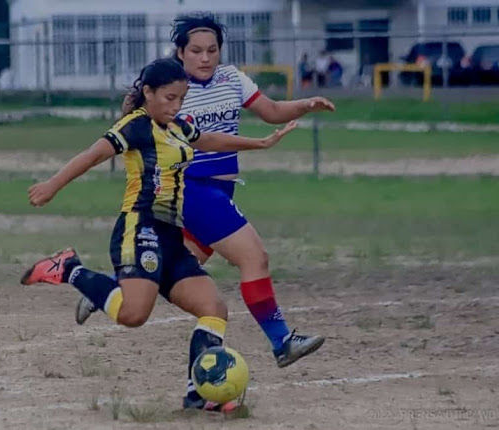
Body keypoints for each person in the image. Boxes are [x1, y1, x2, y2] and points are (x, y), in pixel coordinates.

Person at [20, 58, 298, 411]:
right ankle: (68, 268)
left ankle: (199, 393)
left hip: (171, 235)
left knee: (213, 308)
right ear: (148, 93)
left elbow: (208, 139)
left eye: (181, 98)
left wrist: (260, 143)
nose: (176, 106)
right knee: (134, 315)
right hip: (139, 229)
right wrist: (52, 185)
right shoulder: (135, 126)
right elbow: (93, 155)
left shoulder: (177, 126)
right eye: (169, 98)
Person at [77, 11, 333, 393]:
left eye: (212, 49)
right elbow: (138, 131)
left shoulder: (231, 78)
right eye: (195, 50)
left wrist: (306, 104)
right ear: (180, 53)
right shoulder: (173, 92)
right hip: (192, 188)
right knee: (254, 257)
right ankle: (282, 341)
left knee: (174, 266)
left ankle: (106, 289)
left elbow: (272, 111)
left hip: (221, 189)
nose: (205, 57)